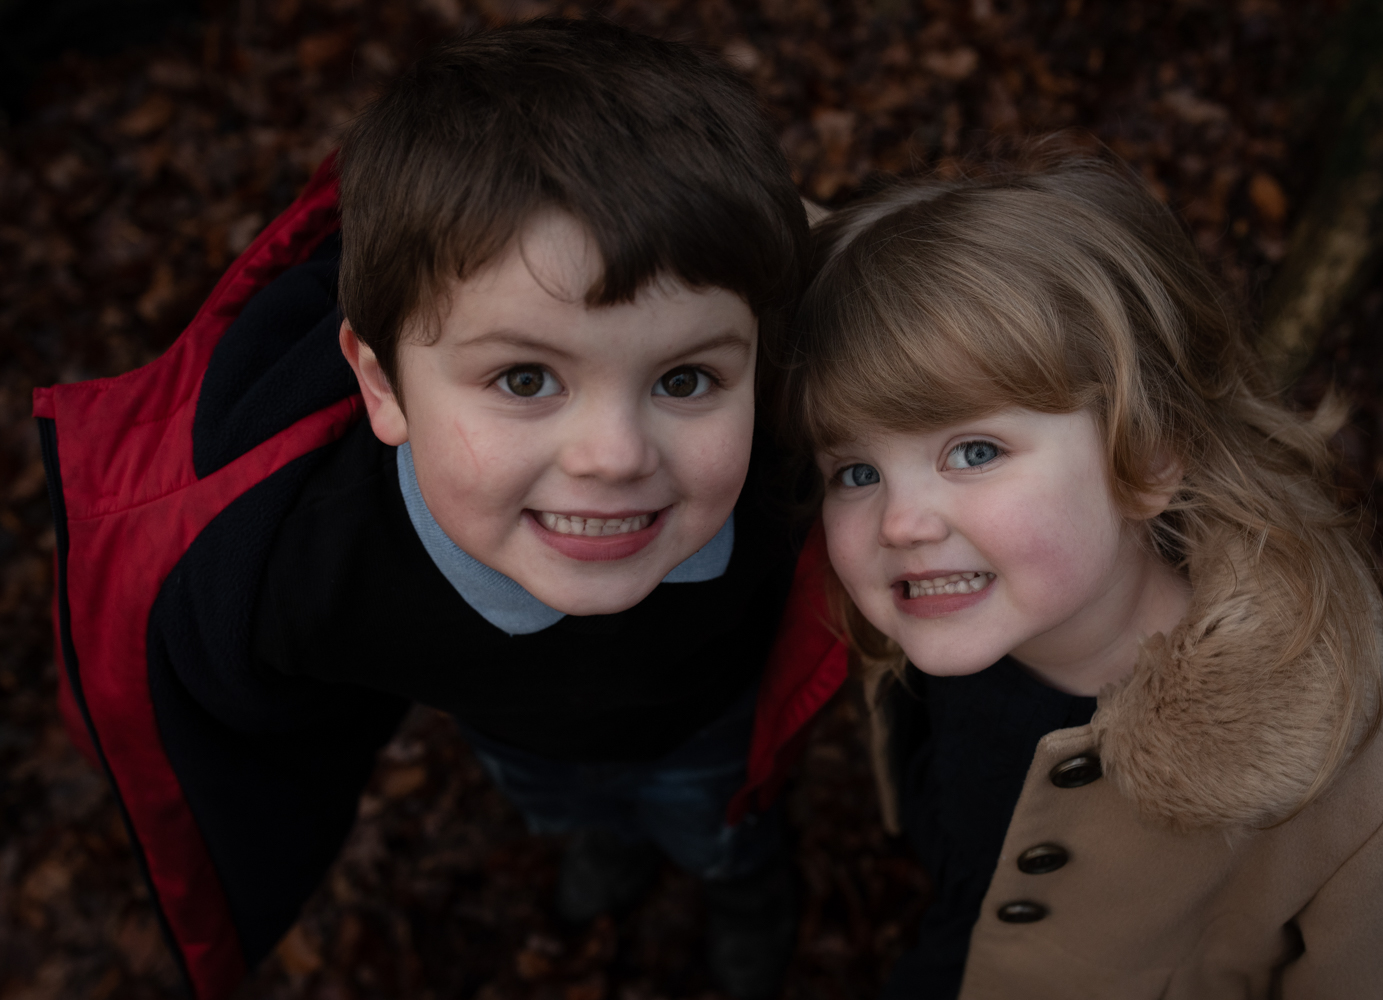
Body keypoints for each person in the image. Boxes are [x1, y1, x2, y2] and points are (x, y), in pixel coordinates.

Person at [34, 20, 847, 1000]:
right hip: (511, 738)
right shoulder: (304, 560)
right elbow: (226, 695)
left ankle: (742, 889)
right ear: (382, 389)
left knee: (718, 825)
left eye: (685, 379)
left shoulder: (788, 471)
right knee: (561, 804)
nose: (615, 456)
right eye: (524, 377)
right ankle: (600, 845)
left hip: (712, 728)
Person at [777, 151, 1383, 999]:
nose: (899, 521)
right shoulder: (967, 608)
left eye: (973, 451)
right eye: (854, 471)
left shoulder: (1371, 795)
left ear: (1144, 459)